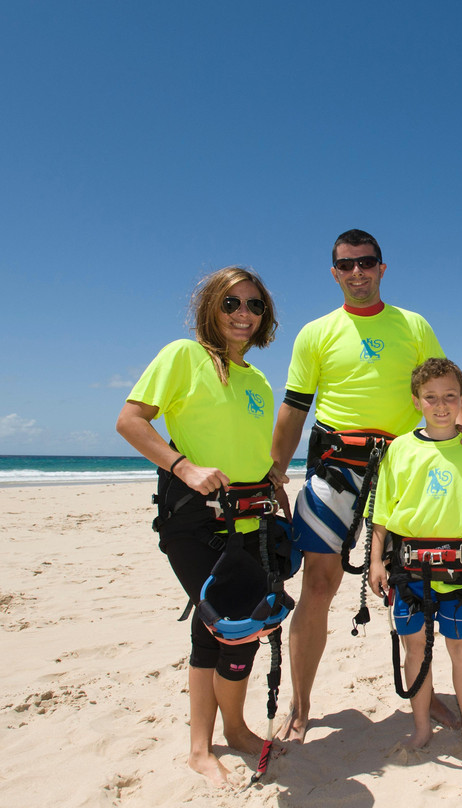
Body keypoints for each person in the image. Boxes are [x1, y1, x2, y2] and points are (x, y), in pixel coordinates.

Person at [271, 229, 462, 742]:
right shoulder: (315, 332)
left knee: (416, 584)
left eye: (366, 263)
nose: (357, 272)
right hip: (334, 465)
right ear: (334, 273)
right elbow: (296, 406)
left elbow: (443, 385)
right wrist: (274, 472)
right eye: (346, 265)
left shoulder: (412, 324)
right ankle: (300, 708)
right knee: (318, 586)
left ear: (382, 268)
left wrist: (461, 438)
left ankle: (423, 698)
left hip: (404, 466)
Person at [116, 266, 286, 787]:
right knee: (235, 627)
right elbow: (131, 421)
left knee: (216, 625)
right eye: (232, 303)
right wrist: (183, 466)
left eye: (255, 305)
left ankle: (217, 737)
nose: (243, 314)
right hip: (194, 518)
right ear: (210, 306)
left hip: (252, 517)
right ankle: (220, 737)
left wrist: (272, 477)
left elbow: (245, 442)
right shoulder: (182, 356)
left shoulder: (256, 377)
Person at [368, 358, 462, 768]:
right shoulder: (400, 449)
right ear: (417, 401)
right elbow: (381, 514)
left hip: (460, 570)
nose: (441, 405)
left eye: (450, 396)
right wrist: (377, 561)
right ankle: (421, 727)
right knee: (415, 649)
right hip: (409, 570)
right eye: (431, 397)